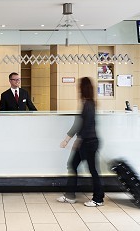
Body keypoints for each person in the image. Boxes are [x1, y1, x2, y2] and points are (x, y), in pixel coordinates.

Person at [57, 77, 104, 207]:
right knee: (73, 165)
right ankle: (70, 195)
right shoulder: (88, 103)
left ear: (83, 88)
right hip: (88, 141)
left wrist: (73, 140)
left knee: (92, 170)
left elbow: (83, 125)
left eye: (79, 86)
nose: (77, 89)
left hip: (88, 142)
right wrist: (70, 139)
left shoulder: (88, 104)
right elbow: (79, 124)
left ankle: (98, 199)